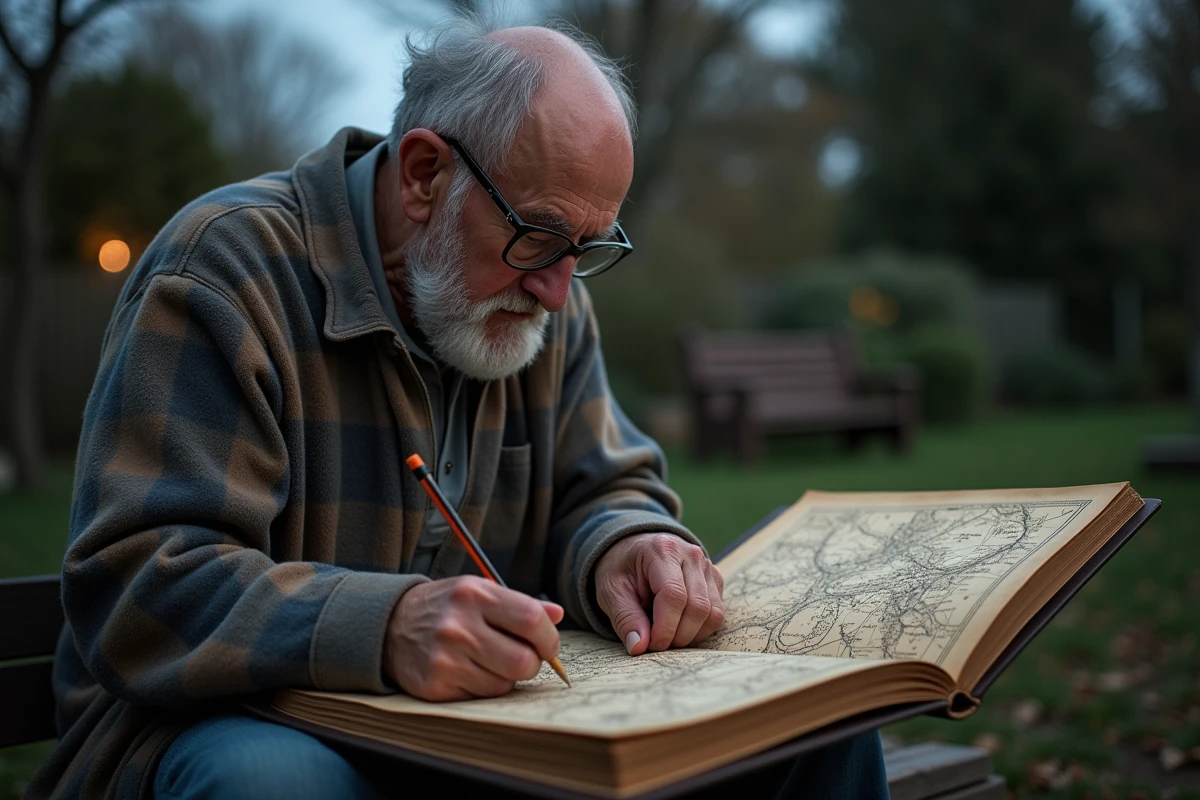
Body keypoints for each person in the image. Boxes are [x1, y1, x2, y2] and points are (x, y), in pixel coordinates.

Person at [28, 14, 890, 800]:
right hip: (219, 729)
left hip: (475, 736)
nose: (558, 292)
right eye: (542, 236)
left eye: (588, 248)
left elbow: (604, 488)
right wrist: (386, 623)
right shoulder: (224, 272)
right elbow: (141, 581)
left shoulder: (537, 295)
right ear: (424, 174)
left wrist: (628, 547)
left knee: (817, 732)